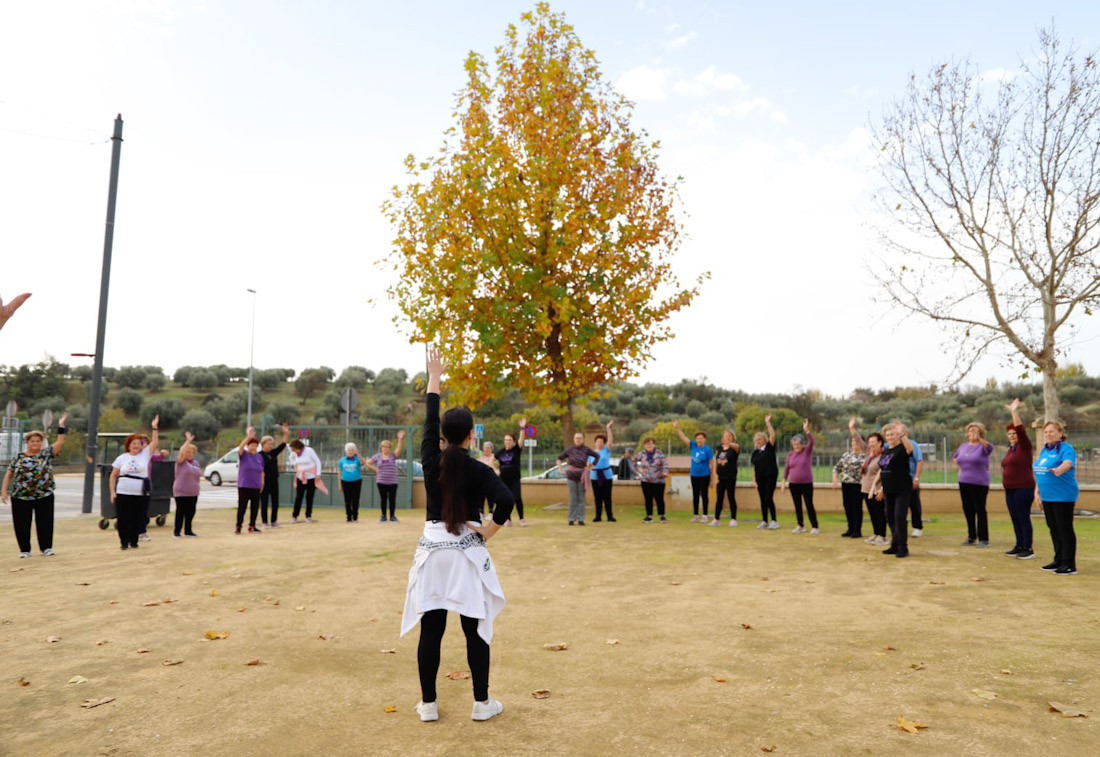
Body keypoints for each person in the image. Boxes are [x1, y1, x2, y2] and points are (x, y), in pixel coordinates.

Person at [401, 346, 514, 723]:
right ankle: (481, 703)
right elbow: (506, 500)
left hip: (432, 551)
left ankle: (428, 705)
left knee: (431, 630)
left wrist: (434, 378)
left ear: (443, 437)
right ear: (470, 435)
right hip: (466, 552)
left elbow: (429, 422)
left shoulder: (430, 460)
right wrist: (488, 531)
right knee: (474, 629)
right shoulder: (480, 469)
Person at [2, 413, 67, 557]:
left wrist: (61, 426)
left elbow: (60, 442)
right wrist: (4, 491)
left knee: (45, 522)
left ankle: (46, 548)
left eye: (38, 441)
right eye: (32, 441)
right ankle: (24, 550)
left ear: (41, 443)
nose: (35, 443)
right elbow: (9, 473)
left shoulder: (46, 454)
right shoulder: (19, 456)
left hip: (44, 495)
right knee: (21, 524)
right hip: (21, 496)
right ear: (27, 442)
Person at [109, 415, 160, 551]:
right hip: (123, 492)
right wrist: (112, 492)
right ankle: (124, 542)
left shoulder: (145, 455)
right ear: (129, 445)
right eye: (134, 443)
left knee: (138, 517)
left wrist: (154, 428)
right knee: (123, 518)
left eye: (138, 443)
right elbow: (113, 475)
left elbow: (155, 442)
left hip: (140, 493)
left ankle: (134, 541)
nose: (136, 446)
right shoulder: (122, 458)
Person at [1035, 420, 1079, 575]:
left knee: (1064, 529)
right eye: (1046, 432)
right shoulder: (1045, 450)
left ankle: (1069, 564)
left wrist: (1059, 470)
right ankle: (1058, 560)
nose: (1048, 434)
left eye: (1051, 431)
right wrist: (1037, 492)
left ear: (1060, 433)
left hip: (1062, 496)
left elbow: (1068, 463)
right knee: (1053, 528)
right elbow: (1040, 470)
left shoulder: (1066, 448)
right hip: (1047, 496)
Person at [1000, 399, 1036, 559]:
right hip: (1010, 489)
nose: (1012, 436)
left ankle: (1028, 548)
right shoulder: (1011, 450)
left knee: (1023, 517)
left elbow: (1021, 429)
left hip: (1023, 488)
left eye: (1014, 433)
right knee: (1015, 518)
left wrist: (1013, 411)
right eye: (1009, 434)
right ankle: (1019, 544)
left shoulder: (1025, 446)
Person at [878, 422, 915, 558]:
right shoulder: (886, 451)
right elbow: (884, 470)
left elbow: (910, 449)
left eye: (892, 434)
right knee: (890, 517)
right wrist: (881, 488)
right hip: (888, 489)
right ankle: (895, 544)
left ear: (897, 435)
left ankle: (903, 547)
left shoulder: (902, 448)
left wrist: (902, 435)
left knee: (899, 517)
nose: (889, 437)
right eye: (887, 435)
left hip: (902, 489)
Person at [954, 422, 994, 547]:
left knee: (979, 509)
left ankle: (984, 539)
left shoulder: (983, 446)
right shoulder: (963, 446)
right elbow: (956, 457)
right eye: (970, 430)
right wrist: (962, 468)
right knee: (968, 509)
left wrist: (979, 439)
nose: (972, 432)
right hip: (964, 481)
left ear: (981, 433)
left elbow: (990, 448)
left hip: (979, 483)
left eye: (975, 430)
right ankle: (971, 536)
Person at [672, 420, 715, 523]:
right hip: (694, 475)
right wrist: (677, 427)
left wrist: (712, 479)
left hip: (704, 475)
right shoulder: (693, 446)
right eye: (697, 438)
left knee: (704, 495)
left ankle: (705, 516)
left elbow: (712, 464)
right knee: (695, 495)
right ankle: (695, 515)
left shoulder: (707, 449)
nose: (699, 440)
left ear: (704, 439)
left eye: (701, 438)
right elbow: (683, 437)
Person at [781, 419, 818, 534]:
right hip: (794, 484)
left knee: (809, 504)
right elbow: (787, 469)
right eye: (794, 445)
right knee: (797, 505)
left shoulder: (807, 452)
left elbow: (812, 441)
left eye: (798, 444)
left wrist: (806, 430)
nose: (796, 446)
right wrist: (783, 482)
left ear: (802, 444)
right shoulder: (790, 454)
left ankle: (815, 526)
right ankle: (800, 525)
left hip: (806, 484)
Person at [832, 417, 866, 538]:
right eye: (852, 442)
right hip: (846, 484)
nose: (854, 444)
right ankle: (850, 528)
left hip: (858, 484)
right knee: (847, 506)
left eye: (856, 442)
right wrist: (835, 478)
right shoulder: (847, 454)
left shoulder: (865, 455)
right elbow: (837, 467)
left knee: (856, 507)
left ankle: (857, 530)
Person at [557, 432, 596, 526]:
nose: (578, 440)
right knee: (573, 498)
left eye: (580, 438)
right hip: (571, 476)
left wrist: (591, 466)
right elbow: (559, 458)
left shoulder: (587, 449)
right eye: (576, 438)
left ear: (583, 439)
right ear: (574, 439)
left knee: (581, 498)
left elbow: (597, 456)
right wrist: (560, 469)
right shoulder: (569, 450)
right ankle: (571, 518)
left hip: (582, 476)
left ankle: (581, 519)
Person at [367, 431, 407, 523]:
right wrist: (376, 470)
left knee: (392, 499)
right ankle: (383, 516)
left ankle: (392, 516)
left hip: (393, 481)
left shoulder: (393, 455)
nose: (385, 448)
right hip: (381, 481)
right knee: (383, 499)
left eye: (387, 447)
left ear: (389, 448)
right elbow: (368, 463)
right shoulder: (378, 456)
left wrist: (400, 439)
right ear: (381, 448)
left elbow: (399, 448)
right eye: (384, 446)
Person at [494, 419, 528, 526]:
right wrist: (496, 470)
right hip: (503, 479)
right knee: (506, 499)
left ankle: (521, 519)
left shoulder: (516, 450)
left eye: (509, 440)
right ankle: (507, 519)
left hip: (514, 479)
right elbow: (491, 460)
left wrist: (522, 428)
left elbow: (521, 440)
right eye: (506, 440)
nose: (507, 441)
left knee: (517, 498)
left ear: (513, 441)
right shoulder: (501, 452)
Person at [751, 414, 779, 530]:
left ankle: (774, 521)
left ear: (764, 439)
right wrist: (754, 481)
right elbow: (754, 467)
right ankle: (764, 521)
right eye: (757, 440)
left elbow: (773, 436)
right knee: (762, 499)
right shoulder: (755, 453)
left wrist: (768, 423)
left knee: (768, 498)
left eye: (760, 439)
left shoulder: (769, 447)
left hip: (770, 477)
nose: (758, 441)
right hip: (760, 478)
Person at [259, 423, 289, 528]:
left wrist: (286, 433)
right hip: (264, 481)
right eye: (268, 444)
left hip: (274, 480)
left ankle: (274, 521)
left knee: (275, 501)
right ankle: (264, 522)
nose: (271, 446)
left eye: (271, 444)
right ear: (263, 444)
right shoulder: (259, 455)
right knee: (264, 502)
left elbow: (283, 445)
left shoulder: (273, 453)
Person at [236, 427, 264, 534]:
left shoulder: (259, 457)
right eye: (252, 445)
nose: (254, 447)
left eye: (256, 445)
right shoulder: (244, 455)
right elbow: (240, 447)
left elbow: (261, 471)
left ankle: (252, 526)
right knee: (242, 507)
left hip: (256, 485)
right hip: (244, 485)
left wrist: (262, 483)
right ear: (248, 446)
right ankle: (238, 526)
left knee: (255, 507)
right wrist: (248, 437)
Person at [633, 437, 669, 523]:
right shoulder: (641, 453)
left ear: (654, 444)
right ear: (644, 445)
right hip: (646, 480)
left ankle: (662, 516)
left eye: (651, 443)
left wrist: (665, 472)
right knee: (648, 498)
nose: (649, 445)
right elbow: (632, 460)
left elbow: (665, 464)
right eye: (647, 444)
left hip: (658, 480)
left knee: (659, 498)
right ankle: (649, 516)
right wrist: (639, 469)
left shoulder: (659, 453)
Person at [860, 431, 887, 545]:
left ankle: (882, 535)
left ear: (880, 443)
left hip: (877, 489)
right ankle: (876, 533)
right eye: (869, 442)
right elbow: (859, 441)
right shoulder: (869, 455)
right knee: (872, 513)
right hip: (866, 489)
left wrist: (882, 489)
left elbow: (884, 472)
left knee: (879, 513)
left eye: (873, 442)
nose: (870, 444)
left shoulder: (884, 456)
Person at [173, 431, 202, 538]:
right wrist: (188, 441)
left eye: (191, 452)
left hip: (193, 492)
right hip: (181, 492)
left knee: (191, 512)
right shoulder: (181, 462)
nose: (189, 453)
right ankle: (177, 531)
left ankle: (188, 531)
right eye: (187, 451)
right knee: (180, 512)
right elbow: (181, 453)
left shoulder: (196, 463)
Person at [288, 439, 323, 523]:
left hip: (311, 477)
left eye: (294, 449)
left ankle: (308, 516)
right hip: (301, 477)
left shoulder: (309, 450)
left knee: (309, 497)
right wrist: (295, 465)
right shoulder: (294, 453)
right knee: (299, 497)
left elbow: (317, 461)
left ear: (298, 447)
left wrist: (318, 474)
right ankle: (294, 516)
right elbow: (291, 459)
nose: (293, 451)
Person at [589, 420, 617, 523]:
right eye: (598, 441)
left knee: (607, 496)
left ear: (603, 443)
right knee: (597, 497)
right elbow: (588, 465)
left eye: (601, 441)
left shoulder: (606, 450)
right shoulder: (591, 453)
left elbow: (611, 441)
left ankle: (610, 516)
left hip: (606, 476)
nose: (599, 443)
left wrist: (608, 428)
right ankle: (598, 516)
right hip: (595, 476)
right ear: (595, 442)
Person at [711, 429, 740, 526]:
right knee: (719, 498)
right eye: (726, 436)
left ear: (733, 438)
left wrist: (729, 443)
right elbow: (715, 460)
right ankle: (716, 519)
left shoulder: (735, 448)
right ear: (722, 438)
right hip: (720, 477)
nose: (727, 437)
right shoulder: (719, 448)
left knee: (731, 497)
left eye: (729, 436)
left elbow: (736, 446)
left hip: (730, 477)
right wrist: (714, 474)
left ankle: (733, 519)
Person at [338, 442, 366, 522]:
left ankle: (355, 517)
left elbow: (363, 463)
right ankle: (349, 516)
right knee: (347, 500)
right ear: (346, 451)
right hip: (345, 481)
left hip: (357, 481)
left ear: (354, 451)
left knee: (355, 499)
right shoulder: (342, 460)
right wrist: (339, 484)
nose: (350, 451)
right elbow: (339, 472)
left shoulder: (357, 459)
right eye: (349, 450)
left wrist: (358, 454)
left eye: (352, 450)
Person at [477, 442, 499, 519]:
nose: (486, 449)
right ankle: (481, 512)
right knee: (481, 496)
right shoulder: (480, 458)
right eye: (485, 447)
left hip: (491, 479)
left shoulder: (494, 457)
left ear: (491, 449)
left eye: (488, 448)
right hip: (481, 480)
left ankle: (491, 512)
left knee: (490, 496)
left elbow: (495, 466)